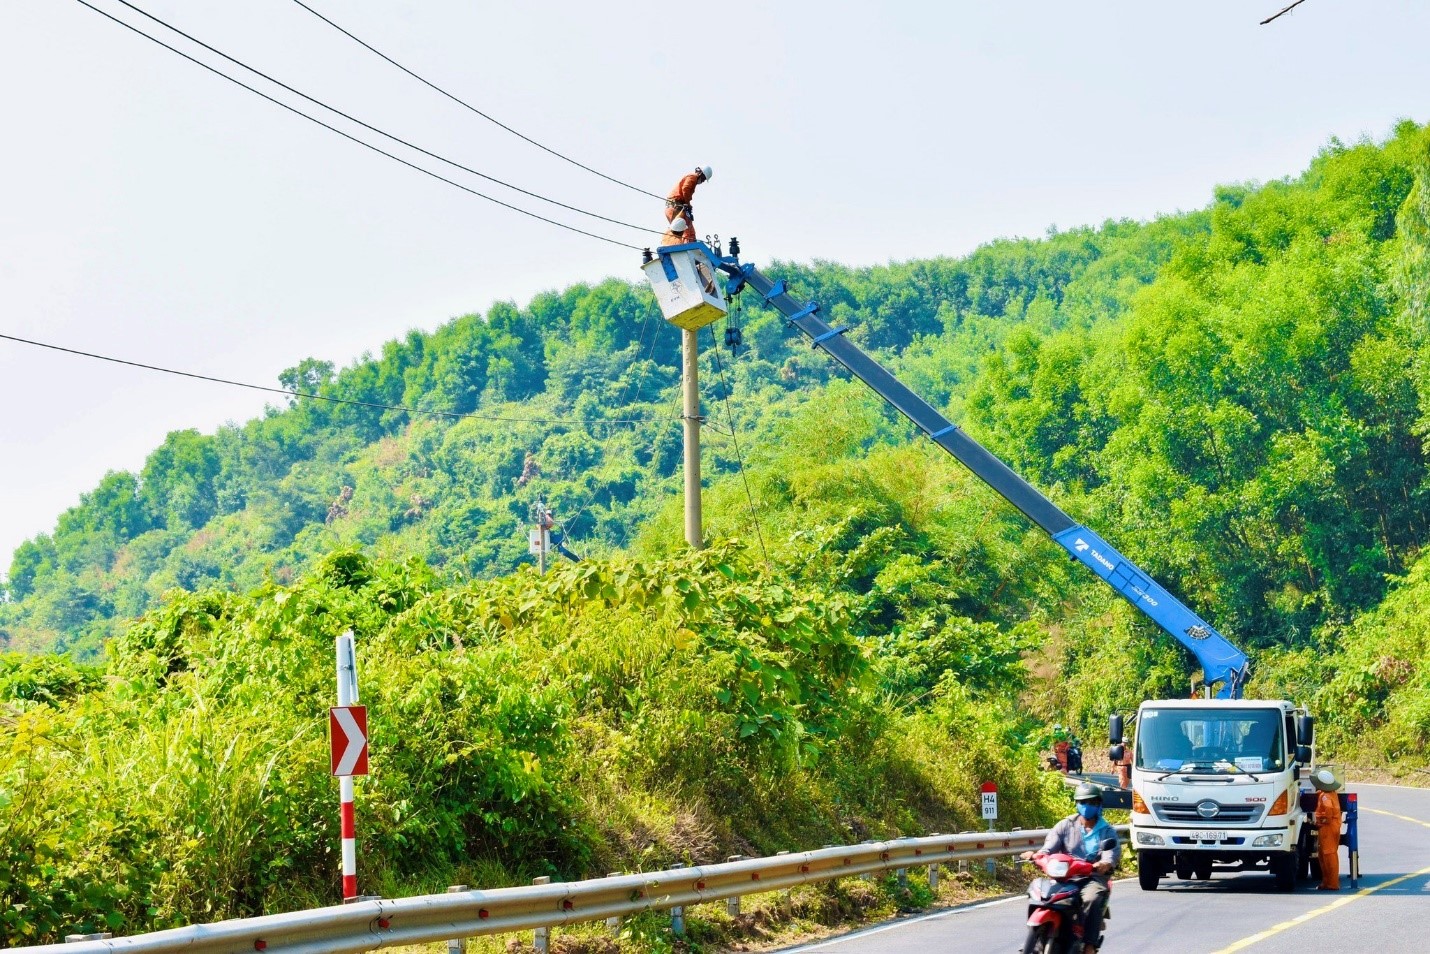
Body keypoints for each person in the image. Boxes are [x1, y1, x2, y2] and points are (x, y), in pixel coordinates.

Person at [1021, 782, 1120, 954]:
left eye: (1091, 802)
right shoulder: (1065, 825)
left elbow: (1110, 855)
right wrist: (1037, 855)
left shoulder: (1107, 831)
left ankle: (1089, 944)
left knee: (1091, 898)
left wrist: (1104, 864)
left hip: (1092, 877)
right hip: (1064, 876)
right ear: (1076, 804)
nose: (1086, 806)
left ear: (1099, 804)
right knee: (1039, 892)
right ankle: (1035, 937)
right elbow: (1048, 847)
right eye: (1082, 802)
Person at [663, 165, 712, 244]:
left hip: (672, 207)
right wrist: (687, 204)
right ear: (700, 174)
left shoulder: (692, 177)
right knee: (688, 231)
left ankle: (680, 246)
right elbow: (686, 189)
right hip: (676, 207)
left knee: (680, 230)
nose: (703, 181)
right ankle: (689, 248)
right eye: (703, 179)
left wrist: (687, 204)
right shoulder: (693, 177)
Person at [1312, 768, 1342, 890]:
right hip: (1330, 826)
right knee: (1324, 855)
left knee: (1329, 854)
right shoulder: (1330, 793)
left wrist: (1324, 821)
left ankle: (1332, 883)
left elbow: (1328, 809)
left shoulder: (1325, 797)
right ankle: (1326, 881)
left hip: (1328, 827)